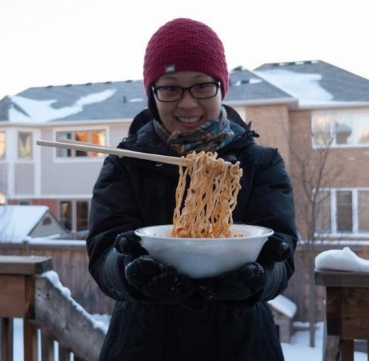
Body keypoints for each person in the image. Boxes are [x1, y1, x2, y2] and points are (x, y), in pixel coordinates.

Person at [86, 18, 297, 361]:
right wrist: (128, 271)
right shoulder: (125, 162)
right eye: (170, 88)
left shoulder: (262, 163)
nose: (187, 104)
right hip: (142, 344)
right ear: (153, 94)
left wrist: (260, 279)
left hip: (241, 344)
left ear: (221, 87)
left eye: (201, 86)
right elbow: (103, 256)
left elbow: (282, 258)